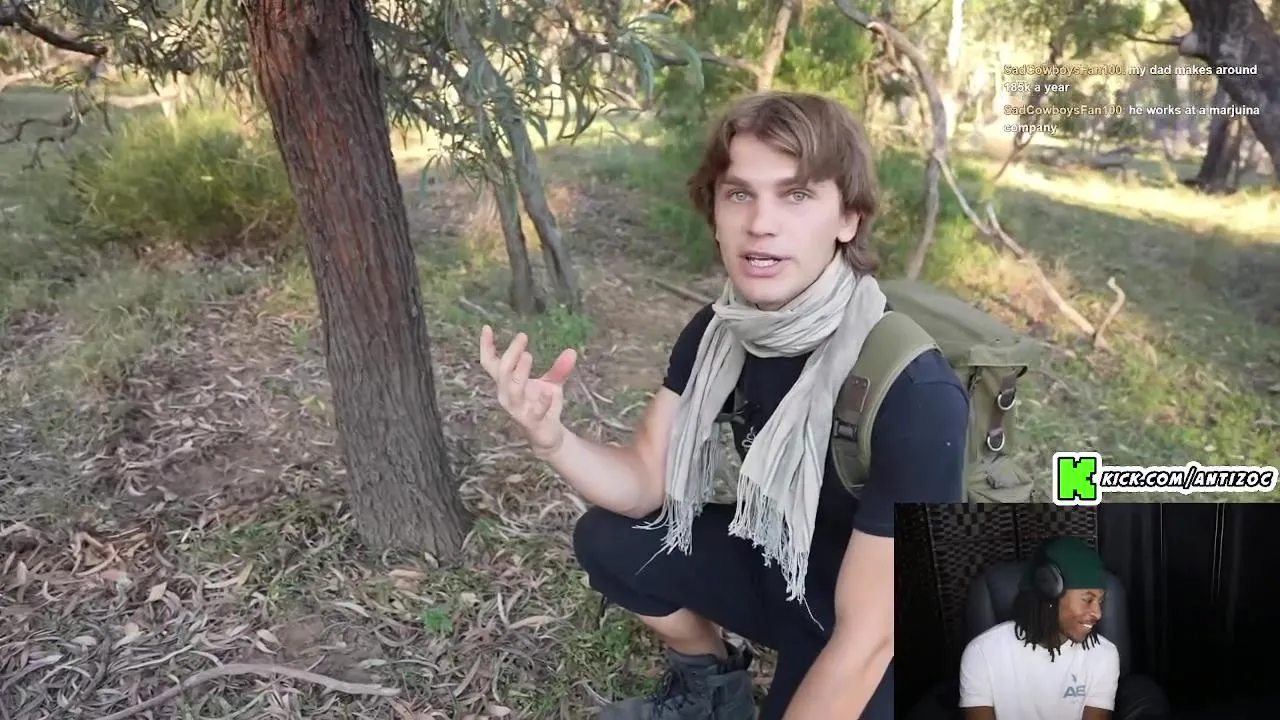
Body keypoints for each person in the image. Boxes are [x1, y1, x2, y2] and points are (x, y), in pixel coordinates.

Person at [478, 91, 969, 720]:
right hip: (781, 561)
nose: (761, 223)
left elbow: (871, 636)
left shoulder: (915, 392)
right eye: (739, 194)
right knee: (611, 540)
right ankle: (713, 687)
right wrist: (553, 440)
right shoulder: (720, 331)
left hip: (878, 620)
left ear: (848, 217)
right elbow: (645, 479)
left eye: (796, 195)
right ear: (714, 211)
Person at [958, 537, 1120, 720]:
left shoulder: (1103, 655)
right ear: (1049, 594)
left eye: (1100, 601)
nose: (1098, 613)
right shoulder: (982, 653)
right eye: (1087, 600)